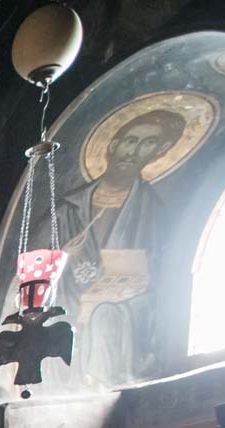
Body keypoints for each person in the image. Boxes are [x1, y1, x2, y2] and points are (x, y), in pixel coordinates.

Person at [49, 107, 189, 387]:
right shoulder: (68, 209)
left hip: (130, 304)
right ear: (113, 145)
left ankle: (104, 380)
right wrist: (65, 256)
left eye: (149, 143)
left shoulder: (153, 211)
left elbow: (164, 274)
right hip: (72, 299)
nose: (134, 152)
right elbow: (34, 267)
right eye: (130, 141)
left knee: (105, 314)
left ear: (159, 152)